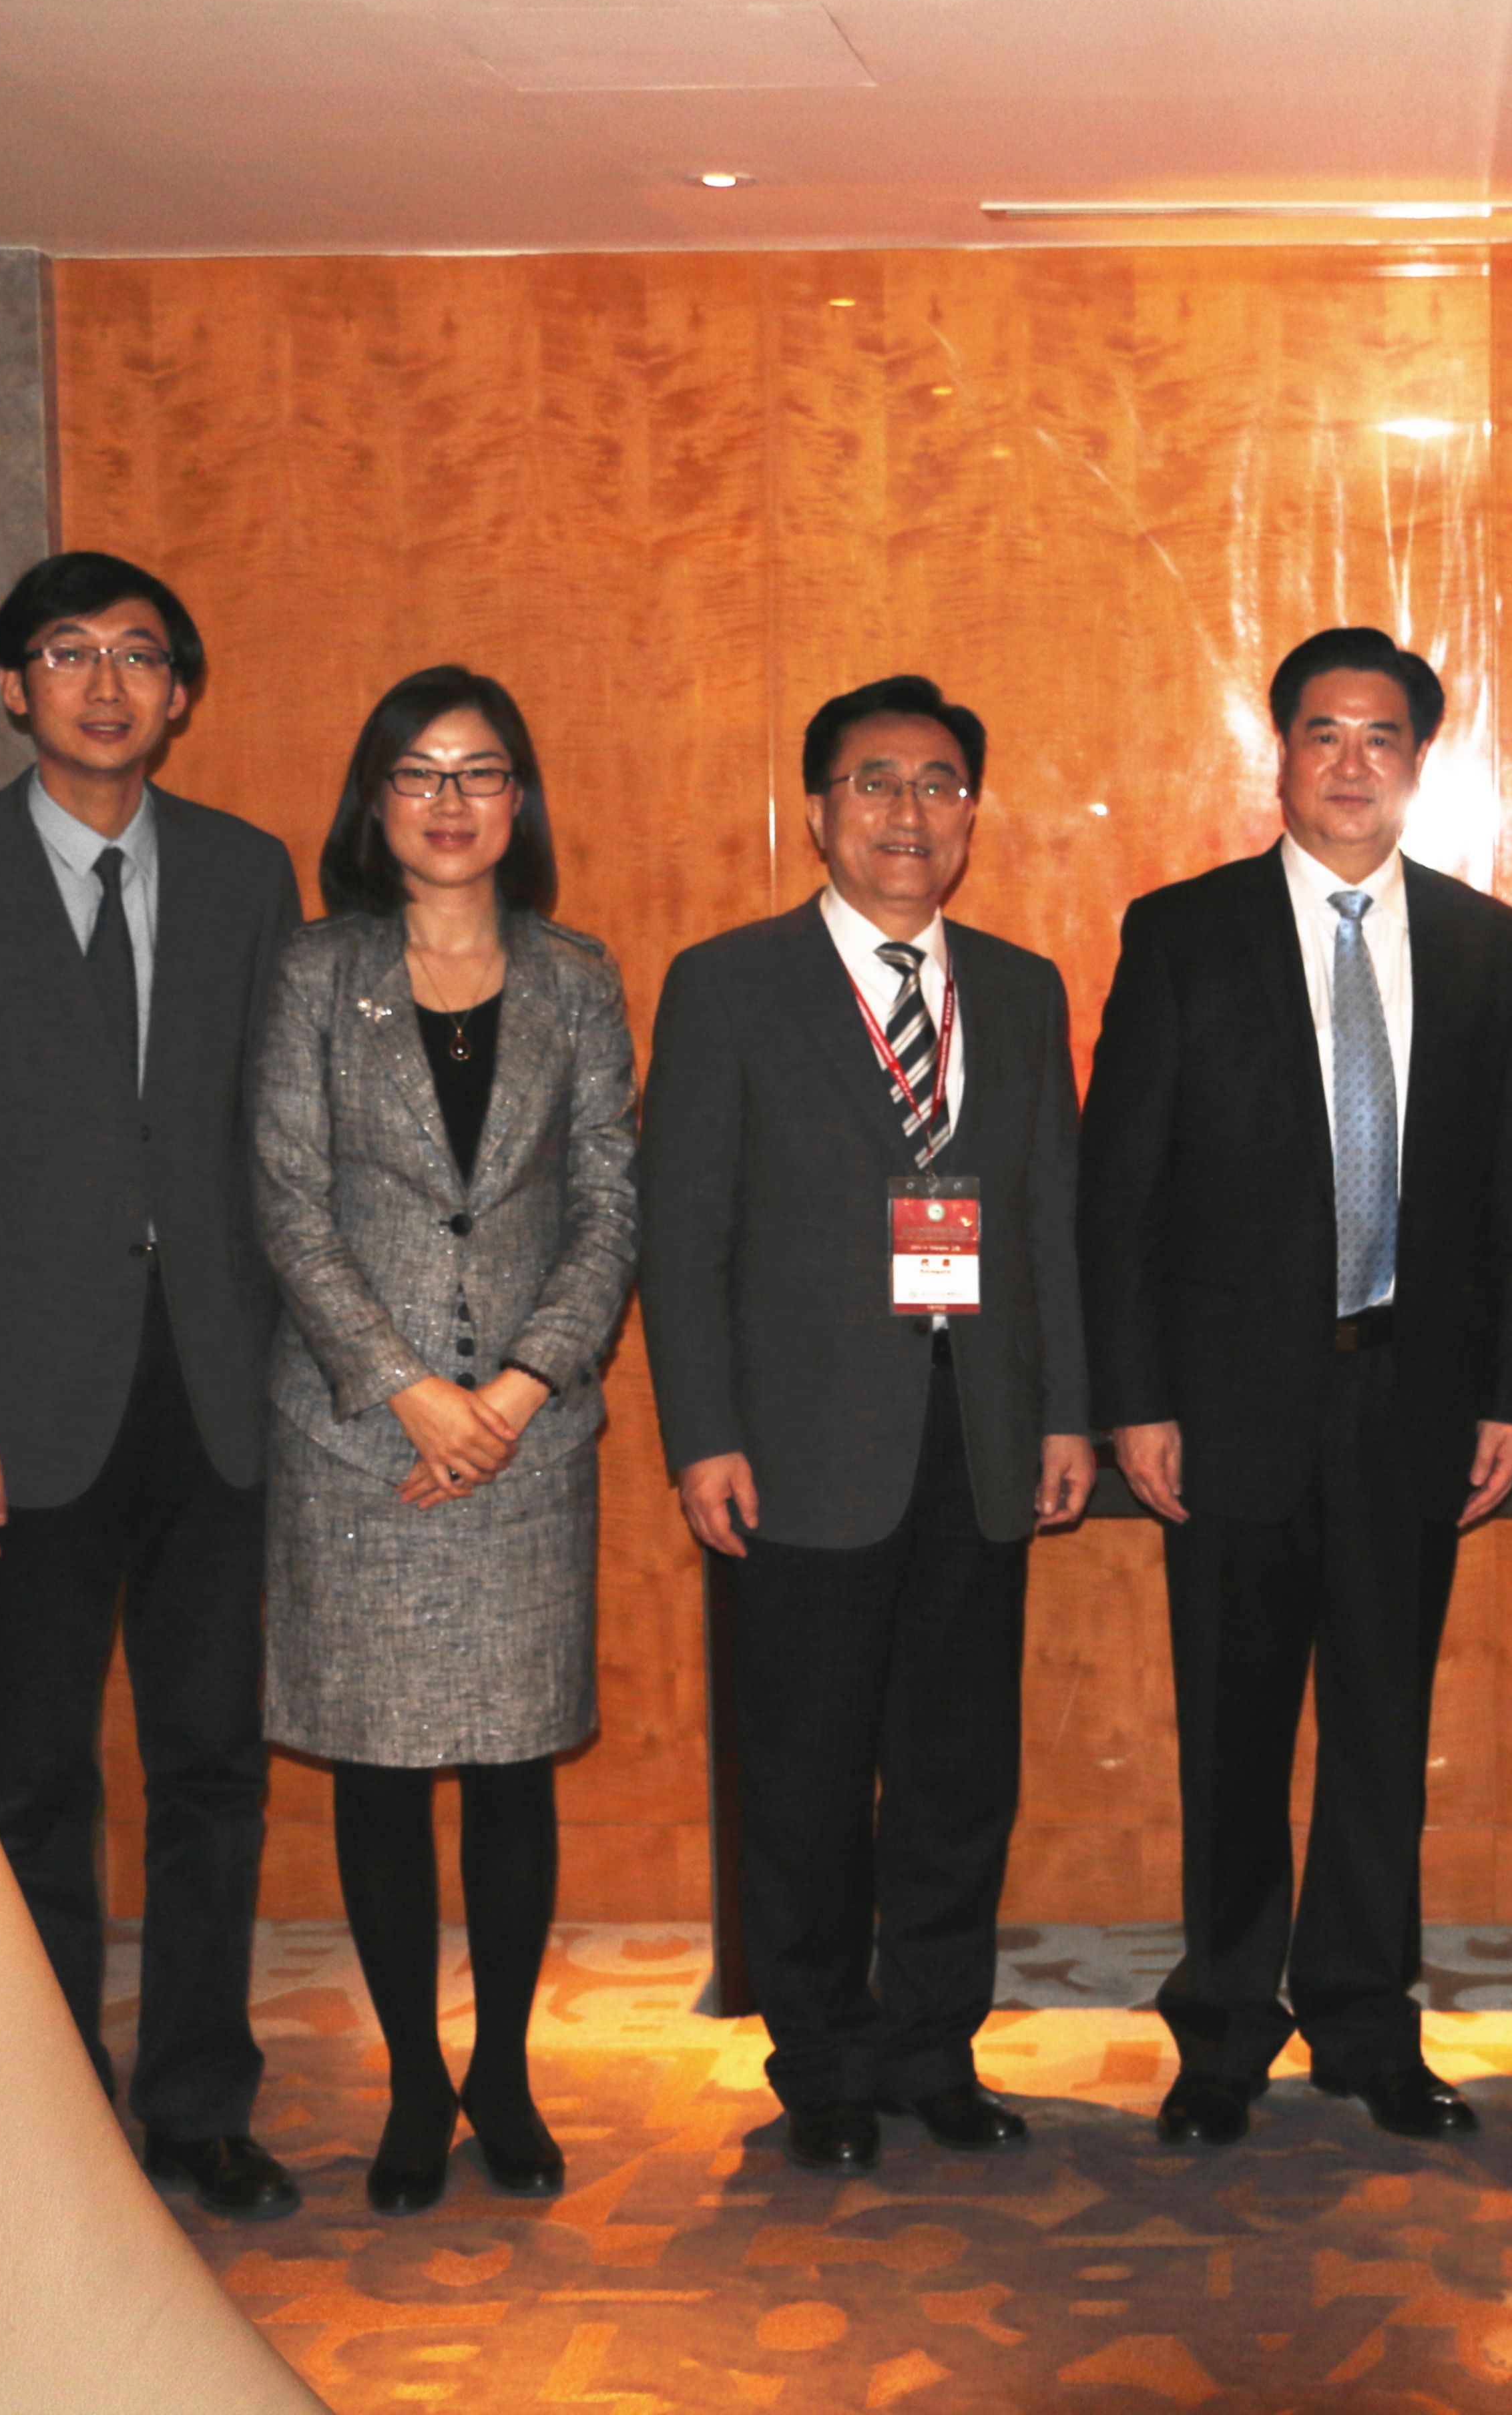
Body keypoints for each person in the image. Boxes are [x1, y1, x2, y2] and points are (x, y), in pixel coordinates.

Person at [0, 551, 306, 2218]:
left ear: (181, 695)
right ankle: (56, 2125)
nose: (106, 685)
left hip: (217, 1394)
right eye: (67, 652)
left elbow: (280, 1136)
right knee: (38, 1776)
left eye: (139, 656)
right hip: (21, 1411)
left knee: (211, 1766)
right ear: (11, 686)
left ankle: (196, 2105)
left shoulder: (247, 875)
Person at [1081, 627, 1512, 2146]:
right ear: (1280, 756)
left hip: (1410, 1401)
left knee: (1379, 1733)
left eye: (1382, 737)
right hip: (1228, 1409)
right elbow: (1120, 1191)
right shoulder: (1184, 933)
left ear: (1420, 762)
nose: (1352, 764)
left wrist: (1511, 1395)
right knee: (1232, 1732)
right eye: (1323, 735)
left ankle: (1364, 2021)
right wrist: (1134, 1398)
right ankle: (1225, 2029)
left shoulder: (1488, 946)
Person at [640, 675, 1093, 2177]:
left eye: (941, 784)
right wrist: (702, 1433)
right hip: (798, 1450)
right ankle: (824, 2063)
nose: (912, 812)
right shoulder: (730, 983)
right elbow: (682, 1233)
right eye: (877, 783)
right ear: (820, 811)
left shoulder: (1020, 990)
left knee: (960, 1777)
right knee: (808, 1779)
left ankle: (932, 2049)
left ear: (972, 815)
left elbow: (1050, 1218)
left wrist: (1067, 1413)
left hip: (981, 1440)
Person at [251, 666, 638, 2213]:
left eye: (480, 772)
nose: (451, 802)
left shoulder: (578, 978)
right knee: (380, 1775)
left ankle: (506, 2073)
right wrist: (409, 1387)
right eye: (419, 774)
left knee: (513, 1770)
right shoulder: (313, 973)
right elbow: (287, 1202)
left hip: (529, 1445)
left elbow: (609, 1206)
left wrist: (522, 1389)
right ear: (376, 802)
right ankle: (416, 2080)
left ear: (519, 799)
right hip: (362, 1443)